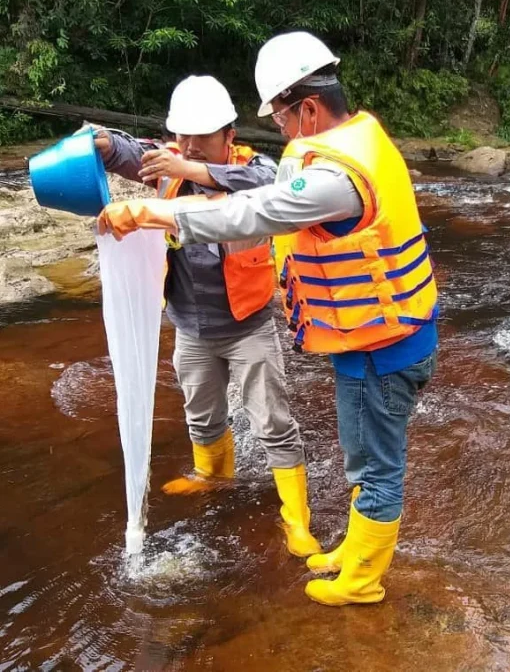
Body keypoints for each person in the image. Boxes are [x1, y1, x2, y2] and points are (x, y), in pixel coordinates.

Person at [96, 33, 438, 606]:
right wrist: (107, 146)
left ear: (307, 107)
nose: (276, 126)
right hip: (372, 339)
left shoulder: (335, 176)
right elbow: (147, 157)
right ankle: (354, 552)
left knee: (374, 468)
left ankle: (362, 582)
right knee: (362, 456)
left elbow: (256, 208)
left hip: (385, 346)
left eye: (278, 114)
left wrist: (154, 211)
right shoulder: (351, 143)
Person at [94, 74, 320, 558]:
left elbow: (270, 183)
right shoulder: (168, 165)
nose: (190, 147)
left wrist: (192, 169)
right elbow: (130, 153)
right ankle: (213, 476)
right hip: (191, 325)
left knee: (272, 421)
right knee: (201, 414)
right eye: (183, 137)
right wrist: (107, 144)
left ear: (229, 136)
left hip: (248, 325)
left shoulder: (256, 171)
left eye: (203, 137)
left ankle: (295, 516)